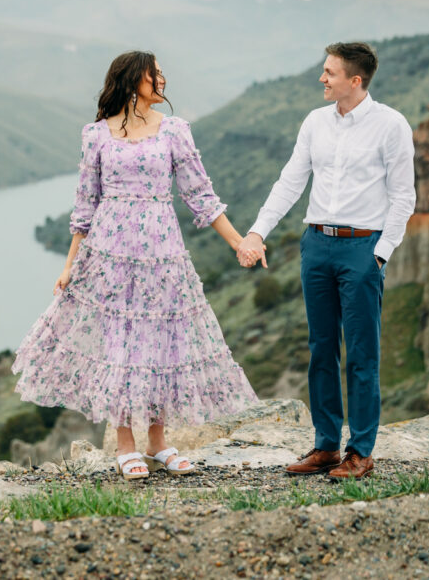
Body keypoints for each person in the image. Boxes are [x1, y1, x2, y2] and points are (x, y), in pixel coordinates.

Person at [13, 50, 258, 481]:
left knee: (162, 341)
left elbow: (200, 196)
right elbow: (85, 206)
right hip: (108, 253)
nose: (162, 80)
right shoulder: (96, 136)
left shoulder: (175, 132)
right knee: (120, 345)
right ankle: (125, 444)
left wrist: (240, 243)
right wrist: (69, 265)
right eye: (154, 74)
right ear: (132, 80)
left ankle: (158, 442)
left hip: (162, 252)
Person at [237, 42, 415, 479]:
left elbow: (404, 195)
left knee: (361, 354)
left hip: (362, 248)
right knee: (320, 349)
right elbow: (290, 181)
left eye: (330, 72)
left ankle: (361, 452)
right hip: (316, 244)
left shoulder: (391, 125)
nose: (322, 78)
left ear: (355, 80)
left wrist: (380, 253)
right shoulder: (315, 122)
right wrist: (258, 231)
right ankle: (325, 446)